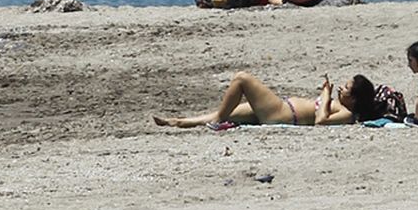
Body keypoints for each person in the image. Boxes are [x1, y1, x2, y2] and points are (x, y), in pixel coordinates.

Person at [154, 71, 382, 128]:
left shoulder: (347, 113)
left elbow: (320, 122)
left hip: (281, 113)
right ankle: (180, 121)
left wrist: (326, 95)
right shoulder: (341, 106)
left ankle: (215, 122)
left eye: (346, 88)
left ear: (354, 98)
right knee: (226, 112)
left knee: (242, 79)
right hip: (280, 109)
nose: (341, 88)